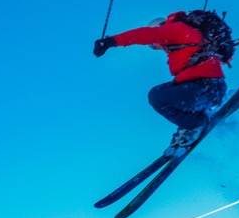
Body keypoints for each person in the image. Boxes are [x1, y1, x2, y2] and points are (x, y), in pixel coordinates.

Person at [93, 12, 229, 154]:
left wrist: (110, 41)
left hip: (207, 89)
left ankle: (196, 124)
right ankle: (193, 121)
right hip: (207, 88)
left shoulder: (175, 30)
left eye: (153, 46)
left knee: (157, 97)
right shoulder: (185, 40)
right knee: (167, 89)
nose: (157, 48)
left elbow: (145, 35)